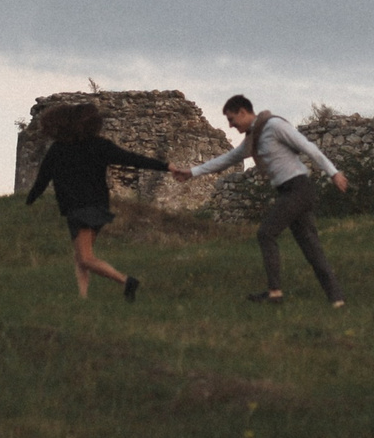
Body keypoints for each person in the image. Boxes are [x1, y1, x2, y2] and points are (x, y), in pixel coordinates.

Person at [177, 96, 347, 307]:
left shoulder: (274, 126)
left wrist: (333, 173)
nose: (230, 125)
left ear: (242, 112)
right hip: (289, 192)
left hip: (299, 189)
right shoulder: (253, 139)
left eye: (232, 119)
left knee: (266, 233)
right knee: (310, 246)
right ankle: (337, 299)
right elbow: (227, 159)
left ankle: (275, 292)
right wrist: (192, 172)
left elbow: (307, 147)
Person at [23, 102, 171, 301]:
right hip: (93, 208)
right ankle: (82, 298)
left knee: (85, 258)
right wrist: (166, 167)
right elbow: (134, 159)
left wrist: (29, 201)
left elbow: (42, 180)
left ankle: (126, 281)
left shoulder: (58, 149)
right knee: (81, 257)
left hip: (82, 210)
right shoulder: (99, 146)